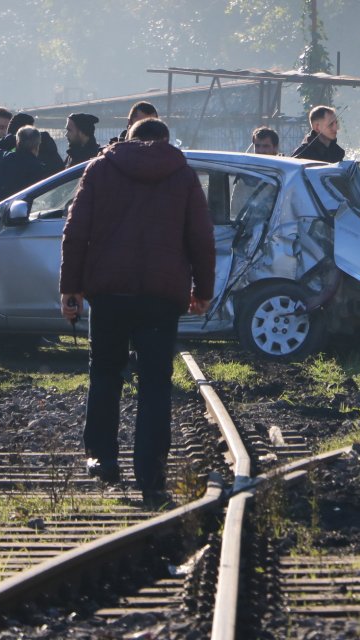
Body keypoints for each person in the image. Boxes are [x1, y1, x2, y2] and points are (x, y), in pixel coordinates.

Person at [60, 118, 215, 507]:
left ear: (129, 138)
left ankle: (102, 459)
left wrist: (70, 288)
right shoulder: (182, 175)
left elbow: (75, 230)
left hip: (109, 291)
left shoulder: (100, 168)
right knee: (156, 382)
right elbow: (201, 236)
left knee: (106, 372)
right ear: (163, 141)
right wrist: (203, 290)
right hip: (161, 295)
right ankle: (151, 472)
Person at [0, 126, 48, 203]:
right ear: (37, 146)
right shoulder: (38, 168)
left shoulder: (3, 158)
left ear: (17, 143)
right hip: (23, 213)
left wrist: (11, 139)